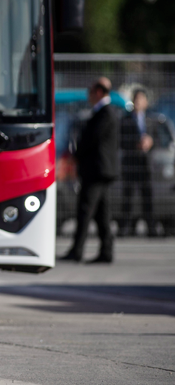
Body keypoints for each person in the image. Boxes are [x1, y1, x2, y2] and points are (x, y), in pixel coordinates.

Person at [62, 77, 119, 263]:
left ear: (99, 92)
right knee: (102, 213)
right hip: (99, 170)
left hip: (97, 170)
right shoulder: (103, 112)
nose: (89, 95)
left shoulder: (105, 113)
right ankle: (106, 251)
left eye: (91, 91)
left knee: (85, 211)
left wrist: (75, 156)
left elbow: (90, 140)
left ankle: (77, 250)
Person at [119, 89, 157, 237]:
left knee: (147, 197)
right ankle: (126, 228)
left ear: (146, 102)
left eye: (141, 99)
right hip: (130, 164)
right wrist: (135, 144)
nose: (138, 102)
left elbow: (157, 140)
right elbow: (120, 141)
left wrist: (150, 142)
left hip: (146, 165)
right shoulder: (125, 120)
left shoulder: (151, 120)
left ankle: (151, 228)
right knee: (127, 197)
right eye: (136, 99)